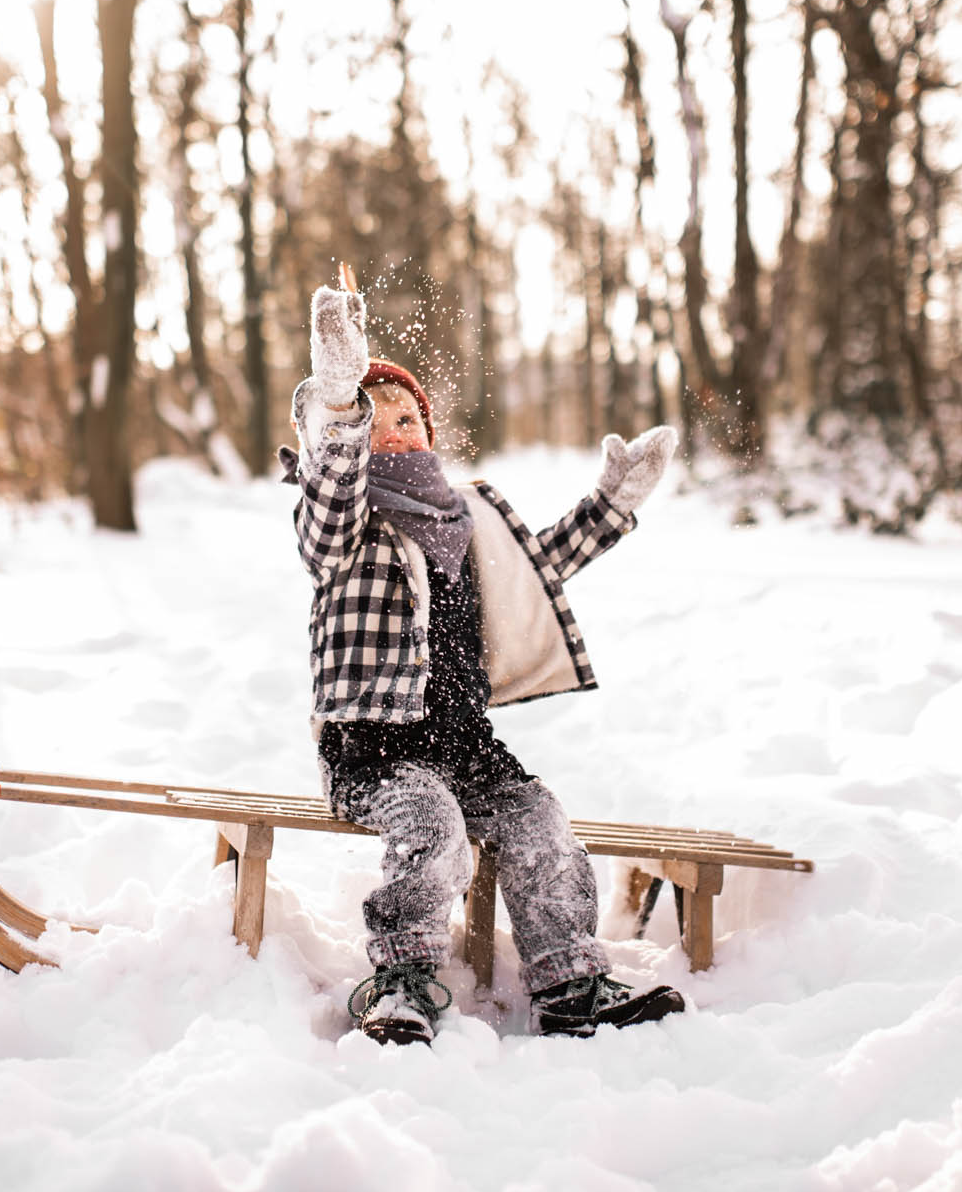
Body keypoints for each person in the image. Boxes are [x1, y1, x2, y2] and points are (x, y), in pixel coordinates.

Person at [280, 269, 686, 1045]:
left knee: (543, 826)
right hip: (374, 749)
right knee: (432, 828)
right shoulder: (342, 525)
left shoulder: (464, 525)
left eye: (408, 417)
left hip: (465, 743)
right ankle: (402, 978)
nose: (392, 430)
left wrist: (613, 505)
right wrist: (337, 405)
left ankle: (570, 980)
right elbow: (331, 488)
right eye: (374, 420)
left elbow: (543, 565)